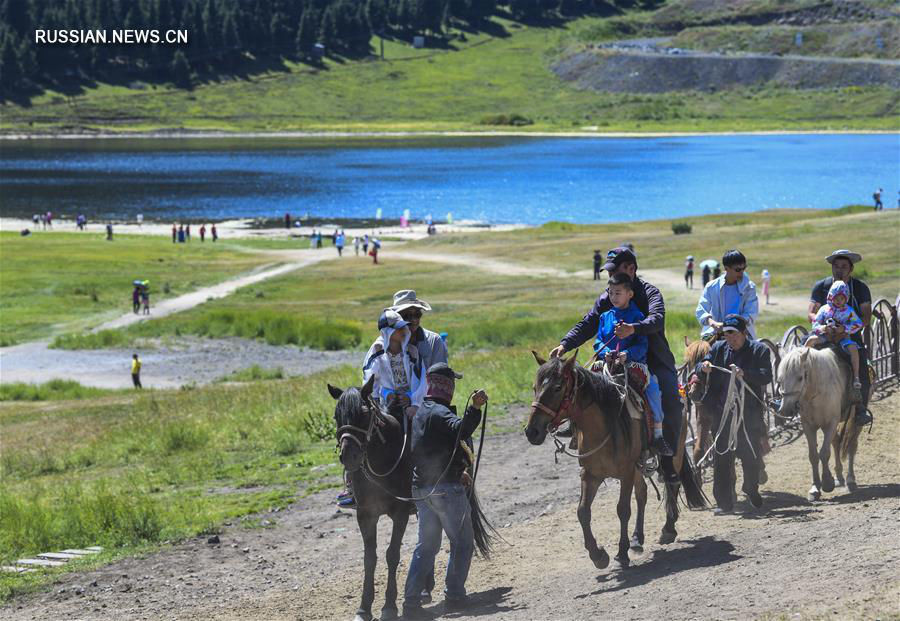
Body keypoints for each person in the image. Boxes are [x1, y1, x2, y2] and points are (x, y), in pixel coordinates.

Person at [550, 247, 682, 482]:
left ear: (630, 269)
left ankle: (668, 462)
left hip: (652, 359)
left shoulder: (651, 293)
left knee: (670, 398)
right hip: (613, 359)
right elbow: (589, 323)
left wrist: (634, 328)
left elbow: (657, 319)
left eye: (615, 269)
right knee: (582, 385)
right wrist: (564, 345)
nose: (610, 278)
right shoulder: (608, 296)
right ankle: (576, 427)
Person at [402, 363, 487, 619]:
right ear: (446, 386)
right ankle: (455, 595)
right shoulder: (440, 413)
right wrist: (474, 408)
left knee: (426, 547)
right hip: (446, 490)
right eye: (452, 383)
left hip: (422, 489)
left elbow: (431, 449)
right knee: (462, 542)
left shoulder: (419, 413)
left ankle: (411, 602)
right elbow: (462, 430)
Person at [337, 310, 428, 509]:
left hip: (411, 401)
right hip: (383, 403)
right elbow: (370, 378)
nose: (404, 330)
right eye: (399, 328)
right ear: (388, 332)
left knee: (422, 433)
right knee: (359, 434)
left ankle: (424, 480)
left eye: (404, 327)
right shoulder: (376, 350)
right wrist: (386, 395)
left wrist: (413, 401)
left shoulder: (411, 351)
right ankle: (353, 485)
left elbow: (421, 379)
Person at [694, 314, 771, 514]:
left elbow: (766, 376)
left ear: (744, 333)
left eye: (733, 334)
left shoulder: (759, 350)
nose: (730, 338)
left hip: (749, 414)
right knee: (721, 456)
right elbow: (700, 366)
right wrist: (703, 367)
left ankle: (750, 488)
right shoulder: (718, 349)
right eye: (726, 334)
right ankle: (724, 502)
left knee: (751, 454)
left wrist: (745, 374)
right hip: (723, 412)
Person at [594, 273, 672, 455]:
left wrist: (626, 355)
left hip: (633, 365)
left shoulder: (637, 316)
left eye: (618, 293)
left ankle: (659, 435)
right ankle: (576, 427)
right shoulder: (604, 316)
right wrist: (606, 353)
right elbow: (598, 342)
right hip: (607, 364)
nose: (613, 297)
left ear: (630, 294)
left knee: (653, 388)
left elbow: (642, 345)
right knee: (584, 385)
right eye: (611, 293)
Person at [808, 249, 873, 425]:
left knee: (862, 366)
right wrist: (823, 326)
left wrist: (846, 330)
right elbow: (811, 313)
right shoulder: (821, 286)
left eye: (844, 266)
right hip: (823, 332)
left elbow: (866, 317)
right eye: (836, 266)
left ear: (851, 269)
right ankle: (792, 400)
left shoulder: (860, 288)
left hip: (850, 336)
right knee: (801, 354)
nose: (839, 270)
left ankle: (860, 408)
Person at [805, 280, 864, 400]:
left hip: (843, 338)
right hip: (825, 336)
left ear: (846, 298)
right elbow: (815, 323)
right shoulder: (824, 309)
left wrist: (844, 329)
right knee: (810, 340)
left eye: (842, 298)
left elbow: (858, 324)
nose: (838, 301)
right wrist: (823, 328)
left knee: (853, 349)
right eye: (836, 298)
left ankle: (856, 377)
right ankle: (803, 363)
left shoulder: (849, 311)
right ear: (831, 296)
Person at [696, 249, 759, 341]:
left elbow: (751, 312)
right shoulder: (712, 287)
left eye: (744, 268)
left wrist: (733, 326)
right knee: (700, 352)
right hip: (715, 332)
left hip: (741, 332)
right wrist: (713, 323)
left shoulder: (749, 287)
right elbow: (701, 309)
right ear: (726, 268)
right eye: (737, 269)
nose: (741, 273)